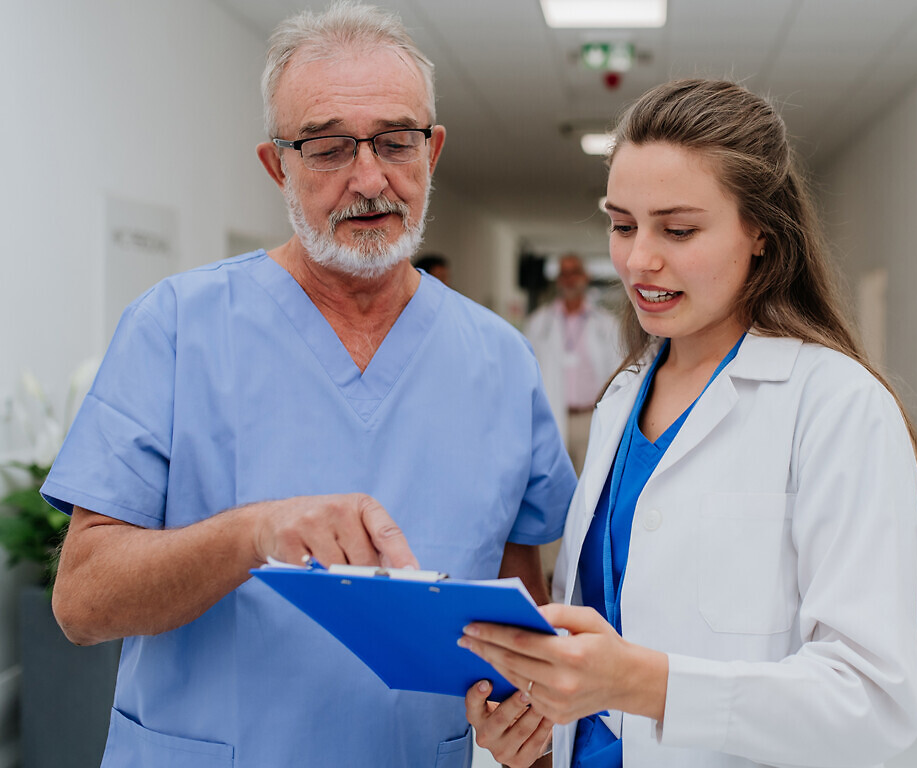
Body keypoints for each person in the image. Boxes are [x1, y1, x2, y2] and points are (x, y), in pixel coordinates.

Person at [42, 3, 575, 766]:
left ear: (434, 152)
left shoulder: (501, 362)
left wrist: (529, 714)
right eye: (327, 148)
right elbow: (82, 603)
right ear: (276, 165)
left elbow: (521, 609)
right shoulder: (175, 328)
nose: (369, 178)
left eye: (396, 142)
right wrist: (253, 535)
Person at [459, 78, 917, 767]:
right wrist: (534, 734)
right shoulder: (624, 395)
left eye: (678, 230)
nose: (639, 259)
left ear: (761, 233)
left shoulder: (836, 406)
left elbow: (872, 704)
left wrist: (642, 683)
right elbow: (595, 645)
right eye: (622, 225)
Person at [524, 253, 621, 473]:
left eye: (575, 272)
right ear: (558, 280)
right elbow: (528, 375)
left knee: (591, 483)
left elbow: (619, 372)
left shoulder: (605, 324)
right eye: (564, 274)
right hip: (553, 417)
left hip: (591, 418)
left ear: (586, 277)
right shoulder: (539, 323)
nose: (570, 279)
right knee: (556, 483)